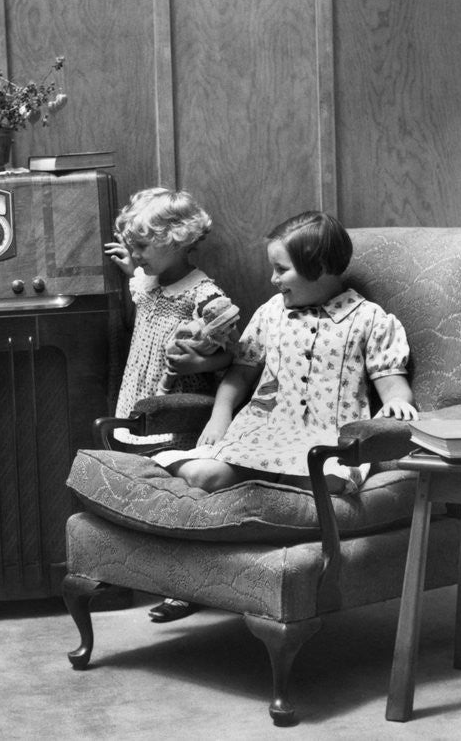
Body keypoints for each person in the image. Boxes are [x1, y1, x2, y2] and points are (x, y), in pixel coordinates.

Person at [146, 211, 420, 622]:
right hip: (264, 431)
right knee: (207, 477)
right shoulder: (271, 313)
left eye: (281, 269)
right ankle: (199, 566)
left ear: (320, 269)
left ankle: (254, 562)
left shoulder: (370, 320)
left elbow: (391, 381)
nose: (273, 279)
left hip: (324, 440)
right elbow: (240, 373)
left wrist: (400, 402)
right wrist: (219, 417)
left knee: (324, 482)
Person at [104, 187, 239, 447]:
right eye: (133, 247)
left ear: (175, 241)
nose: (135, 254)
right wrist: (134, 269)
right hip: (138, 388)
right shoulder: (145, 282)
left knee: (169, 453)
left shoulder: (203, 294)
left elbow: (237, 353)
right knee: (139, 449)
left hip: (179, 398)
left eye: (141, 247)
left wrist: (198, 364)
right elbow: (146, 290)